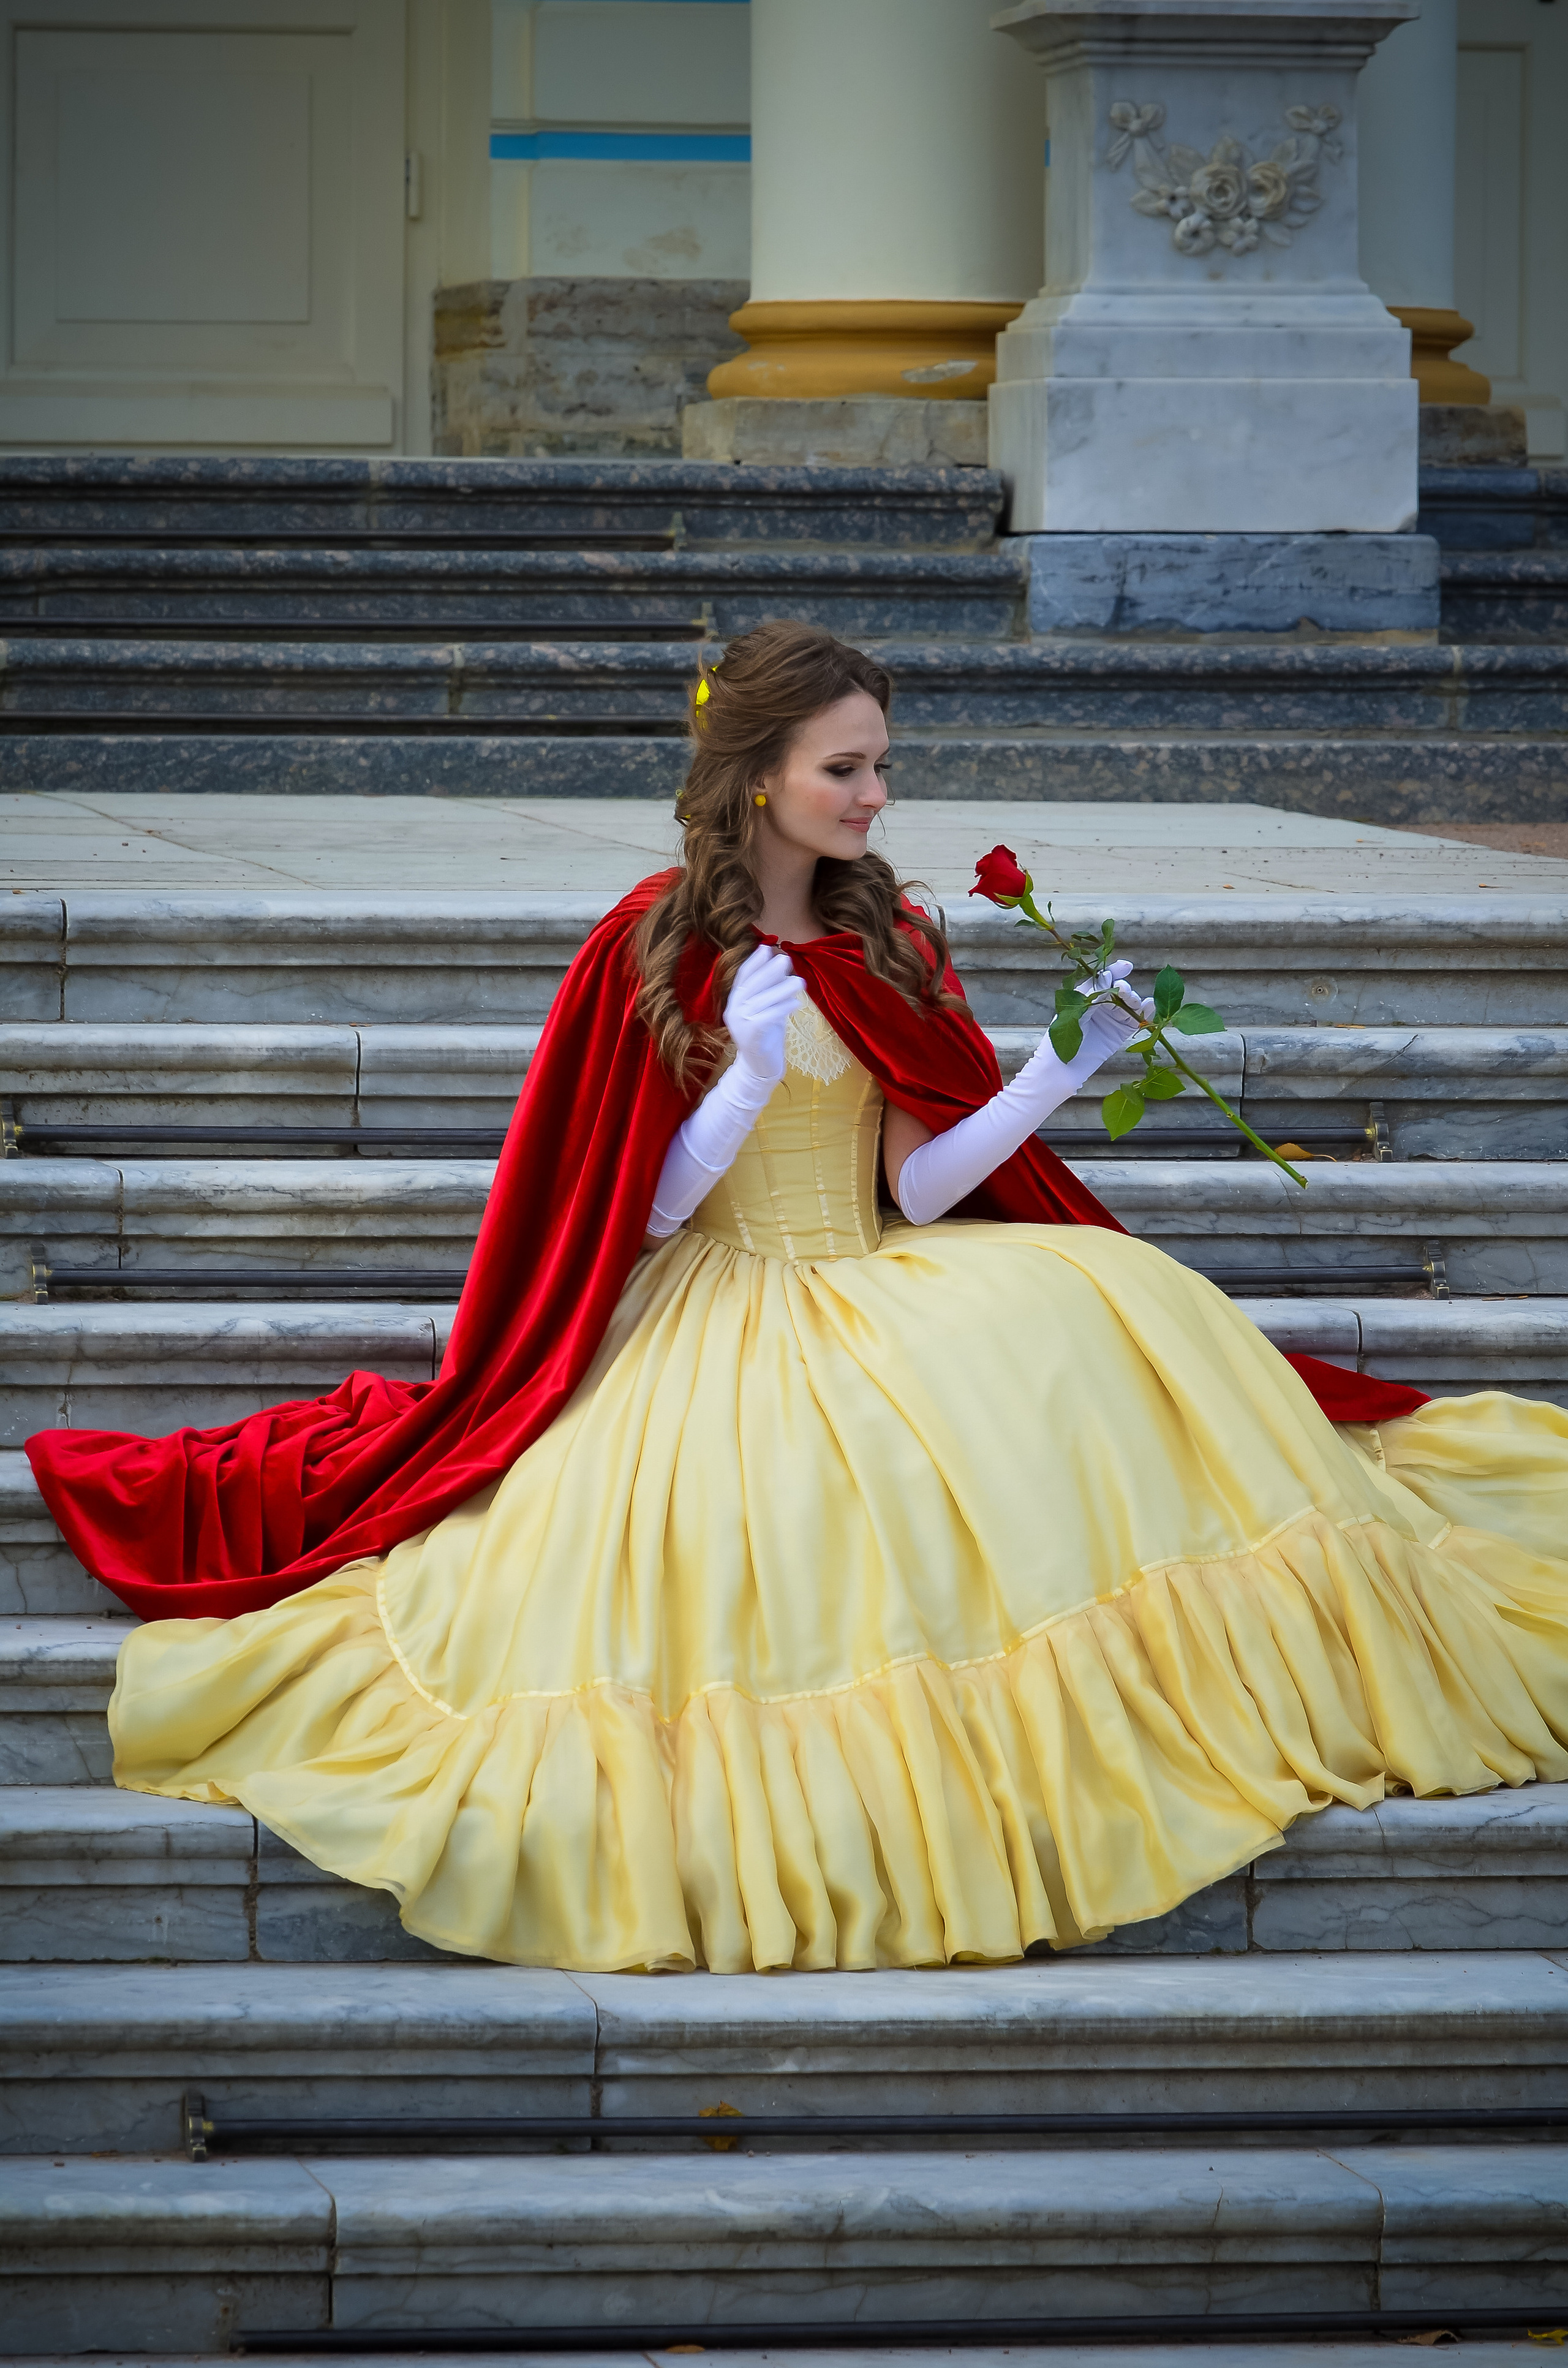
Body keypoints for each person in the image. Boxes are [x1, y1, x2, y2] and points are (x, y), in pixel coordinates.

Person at [29, 622, 1568, 1975]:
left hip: (868, 1269)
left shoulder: (886, 932)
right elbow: (629, 1206)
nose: (876, 798)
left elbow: (915, 1189)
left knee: (1109, 1304)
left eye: (882, 767)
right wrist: (738, 1073)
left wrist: (1054, 1071)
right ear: (759, 773)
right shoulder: (657, 940)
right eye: (848, 769)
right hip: (712, 1301)